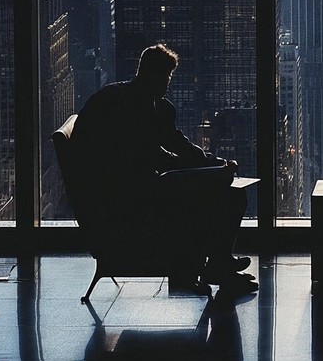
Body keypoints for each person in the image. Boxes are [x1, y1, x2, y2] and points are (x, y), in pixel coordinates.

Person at [72, 43, 256, 298]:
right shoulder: (135, 107)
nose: (168, 82)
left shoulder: (134, 99)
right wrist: (210, 169)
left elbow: (175, 145)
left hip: (122, 189)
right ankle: (217, 264)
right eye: (166, 76)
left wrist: (213, 163)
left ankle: (219, 262)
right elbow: (158, 157)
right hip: (124, 196)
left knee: (226, 192)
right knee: (230, 195)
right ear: (153, 75)